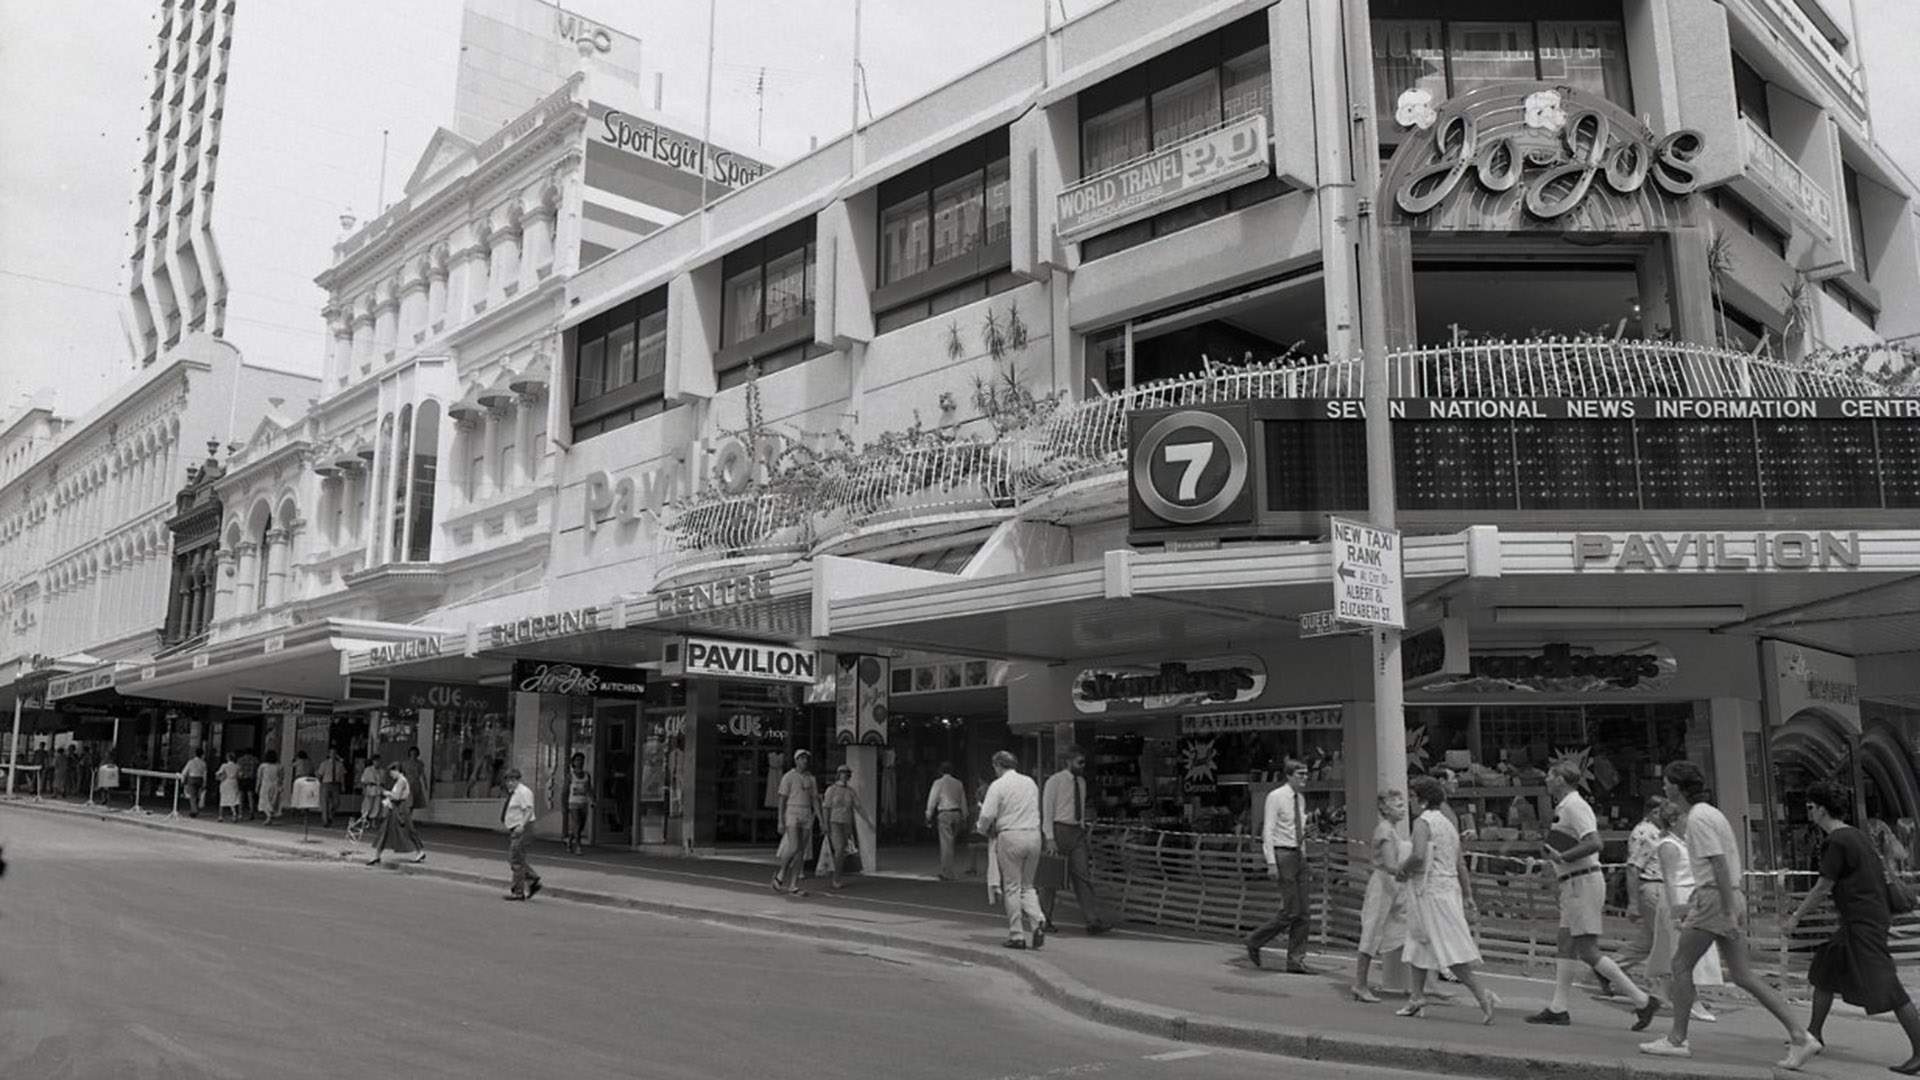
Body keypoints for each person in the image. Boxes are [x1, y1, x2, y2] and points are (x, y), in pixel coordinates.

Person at [1640, 760, 1821, 1067]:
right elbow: (1720, 865)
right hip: (1723, 895)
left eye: (1669, 783)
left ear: (1680, 787)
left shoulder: (1697, 818)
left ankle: (1677, 1039)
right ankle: (1801, 1035)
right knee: (1742, 975)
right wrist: (1727, 903)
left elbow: (1719, 863)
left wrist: (1724, 907)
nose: (1665, 788)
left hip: (1716, 900)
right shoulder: (1711, 813)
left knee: (1681, 964)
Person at [1786, 781, 1920, 1074]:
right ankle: (1813, 1035)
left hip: (1862, 922)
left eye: (1811, 807)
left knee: (1889, 985)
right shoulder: (1856, 836)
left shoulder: (1837, 841)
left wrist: (1796, 916)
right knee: (1824, 971)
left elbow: (1823, 886)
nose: (1808, 812)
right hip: (1864, 918)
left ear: (1821, 810)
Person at [1528, 761, 1660, 1029]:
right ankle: (1558, 1007)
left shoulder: (1574, 806)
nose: (1547, 780)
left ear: (1562, 780)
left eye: (1551, 775)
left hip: (1581, 882)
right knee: (1566, 944)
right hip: (1574, 882)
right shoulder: (1566, 806)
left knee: (1587, 949)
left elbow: (1594, 842)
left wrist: (1562, 856)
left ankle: (1642, 1000)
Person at [1397, 777, 1500, 1024]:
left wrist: (1403, 869)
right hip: (1449, 887)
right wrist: (1467, 894)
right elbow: (1460, 863)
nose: (1410, 801)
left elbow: (1419, 855)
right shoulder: (1448, 824)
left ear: (1421, 799)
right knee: (1418, 940)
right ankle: (1416, 997)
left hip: (1430, 890)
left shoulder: (1422, 823)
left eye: (1412, 796)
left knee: (1448, 948)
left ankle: (1482, 995)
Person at [1647, 799, 1723, 1023]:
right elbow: (1670, 880)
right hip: (1678, 896)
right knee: (1686, 953)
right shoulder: (1668, 845)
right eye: (1685, 817)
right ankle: (1692, 1001)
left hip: (1691, 896)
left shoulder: (1686, 842)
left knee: (1683, 952)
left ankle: (1660, 995)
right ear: (1674, 820)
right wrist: (1676, 910)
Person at [1246, 759, 1314, 973]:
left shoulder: (1300, 800)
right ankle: (1255, 940)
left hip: (1298, 853)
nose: (1304, 778)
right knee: (1291, 909)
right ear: (1290, 775)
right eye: (1300, 774)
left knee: (1303, 912)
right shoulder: (1275, 797)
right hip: (1283, 852)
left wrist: (1304, 856)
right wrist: (1271, 862)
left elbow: (1299, 829)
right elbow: (1269, 830)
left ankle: (1295, 959)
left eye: (1306, 774)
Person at [977, 750, 1046, 950]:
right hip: (1033, 834)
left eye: (995, 766)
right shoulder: (1030, 783)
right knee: (1028, 885)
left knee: (1012, 887)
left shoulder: (998, 786)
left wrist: (981, 828)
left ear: (998, 765)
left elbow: (987, 813)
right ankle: (1037, 919)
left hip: (1010, 836)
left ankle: (1017, 935)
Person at [1040, 748, 1113, 935]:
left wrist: (1082, 829)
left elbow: (1079, 808)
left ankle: (1092, 921)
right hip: (1058, 829)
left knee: (1083, 876)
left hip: (1076, 831)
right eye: (1079, 762)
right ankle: (1043, 919)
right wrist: (1049, 837)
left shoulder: (1081, 782)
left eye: (1083, 762)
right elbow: (1047, 811)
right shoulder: (1054, 781)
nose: (1083, 766)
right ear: (1068, 761)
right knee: (1051, 878)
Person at [1353, 788, 1412, 1002]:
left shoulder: (1391, 830)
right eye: (1398, 806)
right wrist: (1411, 867)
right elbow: (1389, 865)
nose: (1403, 809)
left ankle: (1413, 983)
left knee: (1403, 930)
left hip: (1391, 885)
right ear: (1385, 809)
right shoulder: (1385, 830)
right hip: (1383, 885)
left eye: (1402, 804)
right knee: (1372, 931)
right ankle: (1360, 984)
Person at [1620, 796, 1666, 982]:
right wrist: (1633, 903)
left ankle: (1610, 968)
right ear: (1654, 812)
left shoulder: (1658, 832)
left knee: (1648, 940)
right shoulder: (1645, 833)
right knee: (1666, 939)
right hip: (1652, 886)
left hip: (1659, 887)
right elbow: (1633, 867)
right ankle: (1666, 985)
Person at [771, 749, 822, 894]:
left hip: (806, 812)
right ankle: (781, 873)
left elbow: (815, 800)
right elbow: (782, 799)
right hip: (792, 811)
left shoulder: (811, 778)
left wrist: (820, 819)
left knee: (801, 851)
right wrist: (780, 820)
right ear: (796, 760)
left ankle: (793, 884)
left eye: (806, 758)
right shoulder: (788, 777)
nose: (804, 761)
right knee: (794, 847)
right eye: (801, 758)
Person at [821, 764, 875, 890]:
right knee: (839, 849)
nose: (845, 775)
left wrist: (868, 821)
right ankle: (836, 878)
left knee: (843, 851)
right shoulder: (831, 790)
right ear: (838, 774)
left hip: (847, 823)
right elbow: (826, 808)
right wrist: (825, 823)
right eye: (843, 773)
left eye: (847, 773)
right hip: (835, 822)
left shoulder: (850, 791)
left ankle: (837, 874)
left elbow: (859, 807)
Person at [367, 761, 426, 866]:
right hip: (396, 808)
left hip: (401, 808)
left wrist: (385, 793)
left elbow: (397, 796)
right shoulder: (400, 781)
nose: (391, 775)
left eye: (392, 772)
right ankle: (377, 855)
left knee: (408, 830)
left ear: (397, 771)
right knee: (385, 830)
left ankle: (420, 851)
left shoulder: (401, 781)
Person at [499, 767, 542, 902]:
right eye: (508, 780)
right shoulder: (514, 793)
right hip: (516, 828)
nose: (510, 783)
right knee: (515, 858)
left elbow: (529, 810)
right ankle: (532, 879)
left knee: (516, 859)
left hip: (523, 828)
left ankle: (518, 891)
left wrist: (521, 826)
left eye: (513, 780)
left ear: (518, 780)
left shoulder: (523, 792)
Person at [925, 761, 968, 881]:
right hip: (957, 813)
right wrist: (965, 816)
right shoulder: (958, 783)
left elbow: (932, 799)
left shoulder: (938, 783)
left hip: (944, 813)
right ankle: (950, 870)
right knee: (952, 844)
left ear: (940, 771)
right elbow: (963, 800)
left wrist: (928, 814)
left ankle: (947, 872)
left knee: (946, 844)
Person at [563, 752, 594, 855]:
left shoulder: (586, 775)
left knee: (581, 825)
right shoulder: (570, 776)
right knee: (576, 823)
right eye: (577, 760)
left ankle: (569, 839)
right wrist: (564, 804)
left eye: (581, 760)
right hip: (573, 802)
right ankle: (578, 846)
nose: (579, 762)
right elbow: (565, 790)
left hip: (583, 802)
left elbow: (589, 788)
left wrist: (592, 799)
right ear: (573, 762)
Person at [316, 748, 346, 827]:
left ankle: (330, 813)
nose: (333, 755)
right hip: (326, 784)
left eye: (334, 753)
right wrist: (320, 783)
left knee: (336, 802)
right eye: (331, 753)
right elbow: (319, 774)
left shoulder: (340, 765)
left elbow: (342, 776)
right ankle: (325, 821)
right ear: (329, 754)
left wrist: (343, 785)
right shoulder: (324, 764)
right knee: (325, 802)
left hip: (335, 784)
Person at [179, 748, 208, 818]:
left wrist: (182, 779)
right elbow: (205, 774)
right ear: (202, 755)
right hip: (200, 779)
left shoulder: (191, 762)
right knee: (198, 795)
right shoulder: (203, 763)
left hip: (192, 778)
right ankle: (195, 809)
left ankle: (194, 810)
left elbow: (185, 771)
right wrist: (205, 782)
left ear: (195, 754)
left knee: (192, 796)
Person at [256, 749, 283, 825]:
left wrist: (257, 786)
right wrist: (280, 786)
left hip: (265, 785)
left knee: (264, 801)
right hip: (275, 785)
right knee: (273, 801)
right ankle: (270, 815)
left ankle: (268, 816)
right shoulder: (279, 766)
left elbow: (259, 777)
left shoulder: (263, 766)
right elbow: (281, 777)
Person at [358, 755, 384, 825]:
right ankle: (364, 819)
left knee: (376, 806)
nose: (378, 762)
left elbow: (383, 782)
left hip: (378, 789)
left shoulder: (382, 771)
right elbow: (363, 780)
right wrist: (363, 789)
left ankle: (373, 821)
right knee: (367, 805)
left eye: (379, 761)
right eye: (376, 761)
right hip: (370, 788)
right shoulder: (368, 770)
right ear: (373, 761)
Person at [237, 748, 259, 819]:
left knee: (241, 796)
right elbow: (256, 769)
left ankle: (240, 813)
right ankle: (251, 812)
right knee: (250, 796)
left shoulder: (240, 760)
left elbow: (238, 769)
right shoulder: (255, 760)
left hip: (242, 779)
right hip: (251, 779)